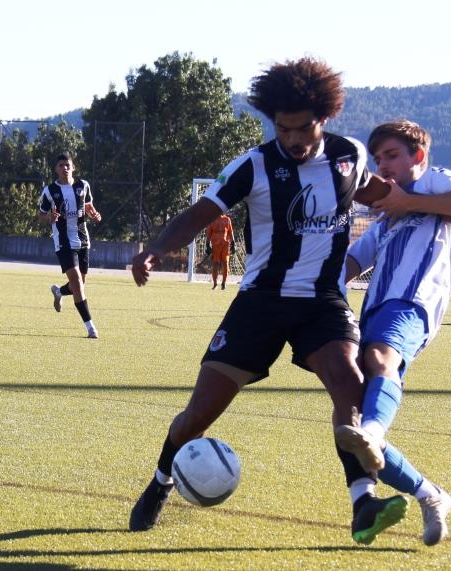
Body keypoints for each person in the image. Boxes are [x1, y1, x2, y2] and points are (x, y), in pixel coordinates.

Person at [128, 57, 405, 544]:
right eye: (283, 128)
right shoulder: (252, 165)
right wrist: (154, 249)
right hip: (261, 303)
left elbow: (374, 191)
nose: (293, 138)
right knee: (199, 414)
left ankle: (362, 502)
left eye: (302, 128)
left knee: (350, 384)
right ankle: (160, 482)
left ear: (324, 119)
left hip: (322, 301)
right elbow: (197, 215)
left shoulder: (350, 155)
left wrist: (423, 204)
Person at [338, 120, 451, 546]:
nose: (383, 164)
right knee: (349, 417)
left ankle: (374, 434)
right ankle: (430, 493)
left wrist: (414, 201)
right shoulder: (384, 215)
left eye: (391, 156)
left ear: (417, 156)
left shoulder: (433, 180)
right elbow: (354, 260)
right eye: (379, 158)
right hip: (375, 308)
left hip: (413, 302)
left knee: (380, 357)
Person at [37, 153, 102, 338]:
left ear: (73, 167)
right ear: (56, 169)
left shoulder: (83, 185)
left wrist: (95, 215)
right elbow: (40, 215)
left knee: (79, 284)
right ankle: (90, 327)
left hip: (83, 239)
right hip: (64, 242)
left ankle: (58, 291)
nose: (65, 168)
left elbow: (89, 207)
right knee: (78, 285)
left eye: (68, 165)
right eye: (61, 165)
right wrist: (49, 217)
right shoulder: (49, 191)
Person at [204, 213, 236, 290]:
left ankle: (224, 283)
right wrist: (207, 244)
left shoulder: (227, 219)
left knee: (225, 263)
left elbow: (231, 232)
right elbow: (208, 234)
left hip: (225, 244)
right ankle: (215, 284)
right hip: (215, 245)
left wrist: (233, 243)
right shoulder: (211, 220)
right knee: (215, 263)